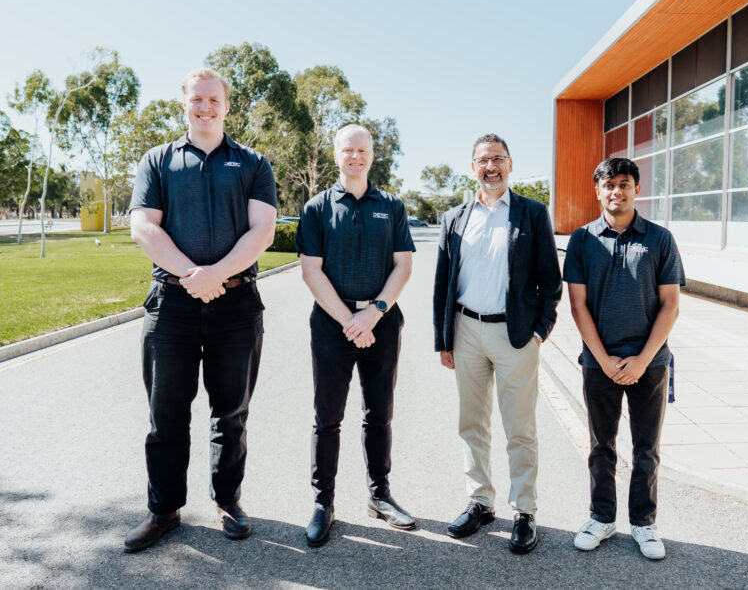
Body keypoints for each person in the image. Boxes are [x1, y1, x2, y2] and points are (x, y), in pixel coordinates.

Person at [124, 67, 277, 552]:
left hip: (237, 305)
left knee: (230, 413)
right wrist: (194, 276)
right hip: (171, 304)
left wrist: (216, 276)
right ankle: (163, 510)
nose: (205, 107)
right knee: (165, 413)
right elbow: (143, 227)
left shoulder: (253, 163)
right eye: (197, 99)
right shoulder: (157, 161)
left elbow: (262, 231)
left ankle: (228, 501)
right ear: (185, 103)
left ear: (226, 106)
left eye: (214, 100)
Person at [432, 133, 562, 554]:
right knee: (472, 423)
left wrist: (540, 332)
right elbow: (442, 284)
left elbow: (551, 282)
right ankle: (480, 502)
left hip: (515, 335)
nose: (491, 167)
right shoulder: (455, 218)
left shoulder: (532, 213)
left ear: (510, 164)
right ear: (473, 167)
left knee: (519, 428)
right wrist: (444, 339)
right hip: (466, 331)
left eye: (498, 159)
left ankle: (524, 510)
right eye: (483, 160)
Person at [296, 124, 416, 547]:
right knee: (327, 417)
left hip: (381, 322)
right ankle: (322, 503)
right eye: (348, 149)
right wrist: (351, 320)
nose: (356, 156)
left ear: (372, 156)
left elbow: (403, 265)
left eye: (362, 150)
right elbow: (311, 271)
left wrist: (373, 313)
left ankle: (379, 496)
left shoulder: (391, 206)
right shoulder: (317, 208)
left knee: (379, 413)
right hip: (333, 323)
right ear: (336, 155)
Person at [563, 157, 684, 561]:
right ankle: (601, 518)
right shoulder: (582, 240)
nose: (617, 191)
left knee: (646, 448)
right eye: (609, 185)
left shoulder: (660, 239)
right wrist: (603, 359)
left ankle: (644, 523)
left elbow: (670, 306)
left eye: (625, 184)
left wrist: (642, 360)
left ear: (637, 189)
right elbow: (577, 306)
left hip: (650, 362)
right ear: (597, 191)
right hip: (599, 362)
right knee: (601, 446)